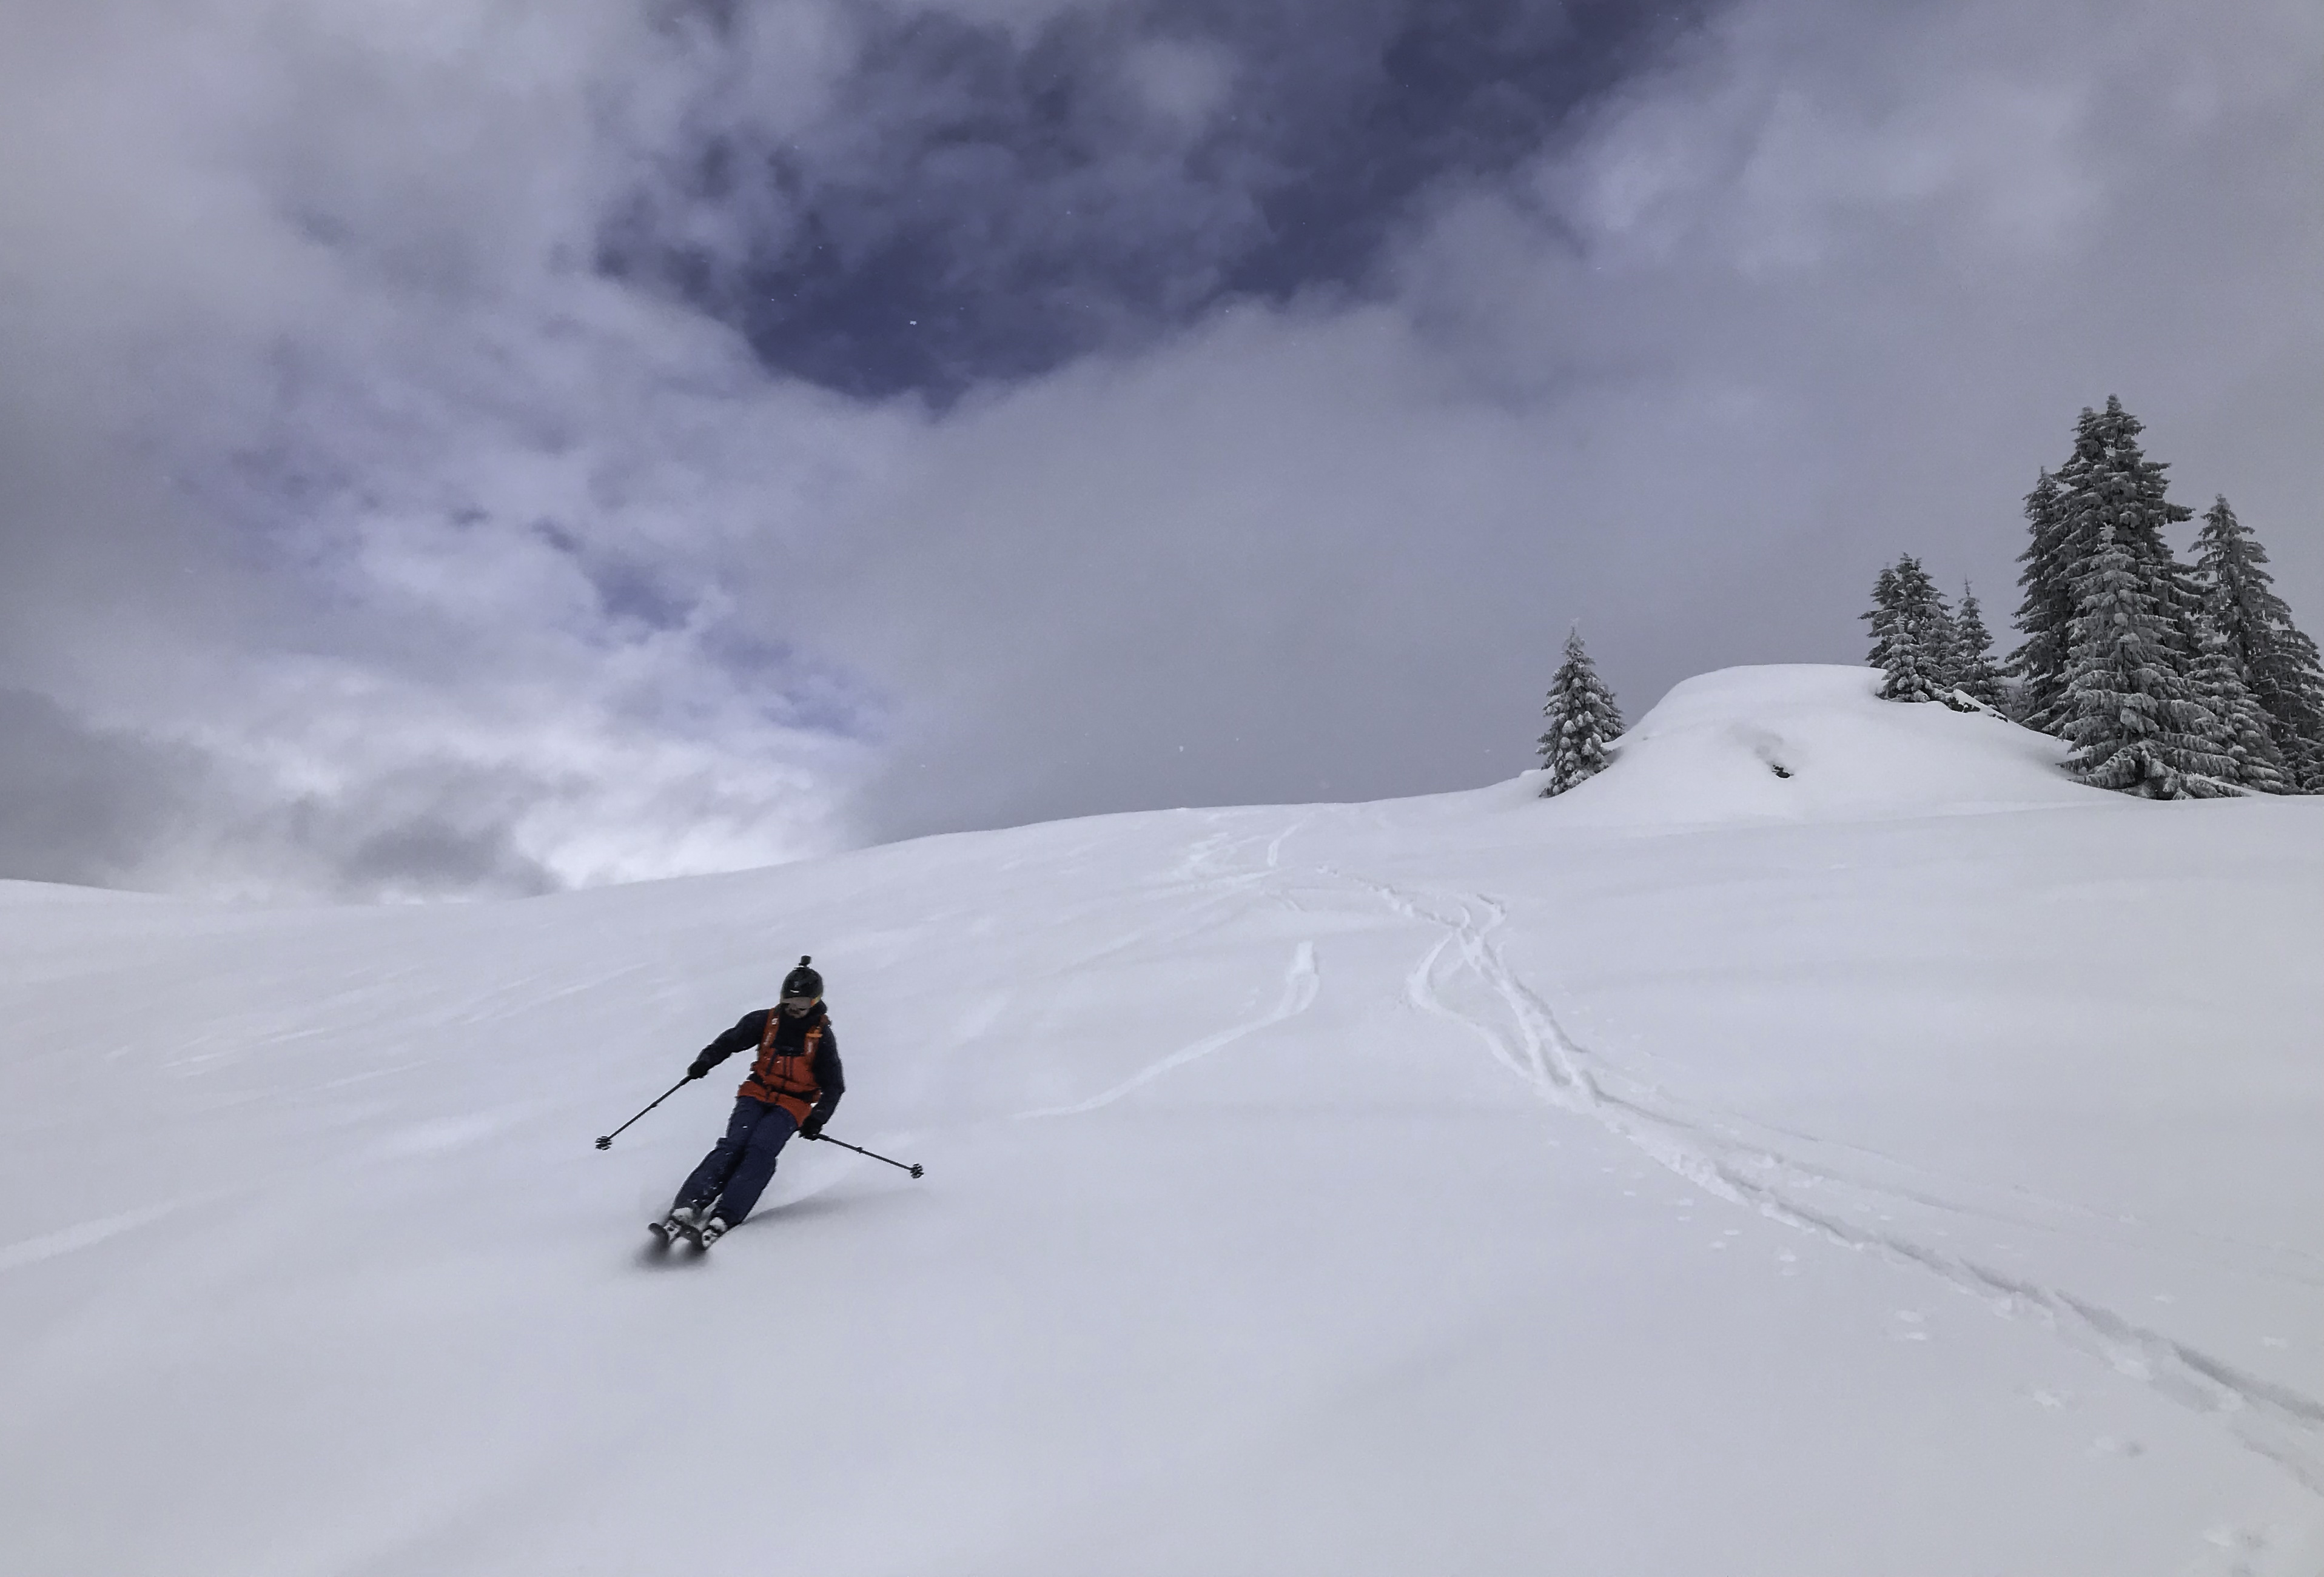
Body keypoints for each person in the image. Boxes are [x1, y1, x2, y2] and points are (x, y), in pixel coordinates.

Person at [660, 956, 844, 1245]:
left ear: (815, 1002)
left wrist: (817, 1119)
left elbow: (834, 1086)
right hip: (756, 1093)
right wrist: (705, 1062)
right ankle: (689, 1204)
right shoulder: (766, 1021)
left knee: (760, 1151)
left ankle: (727, 1214)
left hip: (793, 1103)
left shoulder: (820, 1038)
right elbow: (729, 1041)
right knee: (733, 1145)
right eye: (789, 1002)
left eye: (802, 1004)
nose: (795, 1009)